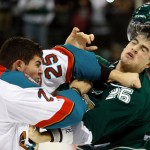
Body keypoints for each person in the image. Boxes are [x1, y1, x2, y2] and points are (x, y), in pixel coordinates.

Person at [29, 3, 150, 150]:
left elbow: (88, 131)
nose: (135, 49)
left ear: (149, 63)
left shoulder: (133, 94)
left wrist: (45, 136)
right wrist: (66, 53)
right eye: (134, 42)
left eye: (143, 49)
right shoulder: (97, 65)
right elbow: (39, 75)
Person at [0, 27, 140, 150]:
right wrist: (76, 91)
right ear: (19, 65)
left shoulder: (14, 77)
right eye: (37, 65)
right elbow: (69, 113)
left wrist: (68, 50)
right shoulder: (10, 90)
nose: (41, 71)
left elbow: (63, 62)